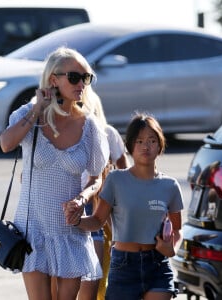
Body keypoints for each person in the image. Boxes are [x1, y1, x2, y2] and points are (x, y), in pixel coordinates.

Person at [0, 47, 109, 300]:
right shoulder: (29, 115)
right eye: (74, 77)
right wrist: (37, 108)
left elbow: (96, 177)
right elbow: (6, 144)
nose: (81, 83)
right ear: (53, 80)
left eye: (86, 78)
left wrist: (82, 199)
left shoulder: (89, 126)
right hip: (32, 231)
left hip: (69, 231)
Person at [64, 113, 184, 300]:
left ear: (160, 145)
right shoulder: (116, 180)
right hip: (124, 267)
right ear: (130, 146)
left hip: (158, 266)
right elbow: (97, 221)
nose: (146, 146)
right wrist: (76, 220)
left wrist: (172, 248)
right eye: (140, 141)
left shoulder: (170, 186)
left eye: (152, 140)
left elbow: (177, 229)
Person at [77, 89, 129, 300]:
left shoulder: (107, 132)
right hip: (76, 200)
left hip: (99, 203)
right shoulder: (66, 132)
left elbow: (124, 169)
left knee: (96, 270)